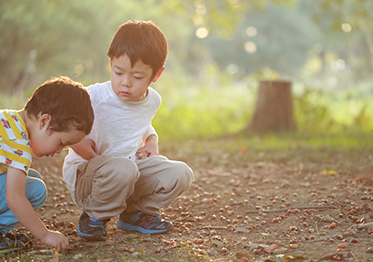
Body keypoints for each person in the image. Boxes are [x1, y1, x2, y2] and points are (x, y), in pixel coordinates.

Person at [63, 20, 194, 241]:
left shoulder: (152, 100)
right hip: (88, 177)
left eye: (137, 77)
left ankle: (135, 214)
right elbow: (58, 121)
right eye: (118, 72)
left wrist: (151, 140)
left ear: (156, 75)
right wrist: (76, 142)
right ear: (110, 65)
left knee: (181, 173)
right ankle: (94, 216)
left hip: (127, 172)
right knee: (124, 168)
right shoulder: (91, 96)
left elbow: (139, 123)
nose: (125, 83)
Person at [0, 76, 94, 253]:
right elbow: (14, 197)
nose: (59, 151)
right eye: (61, 143)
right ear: (44, 121)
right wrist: (44, 235)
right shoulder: (18, 144)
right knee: (35, 189)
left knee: (31, 177)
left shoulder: (7, 121)